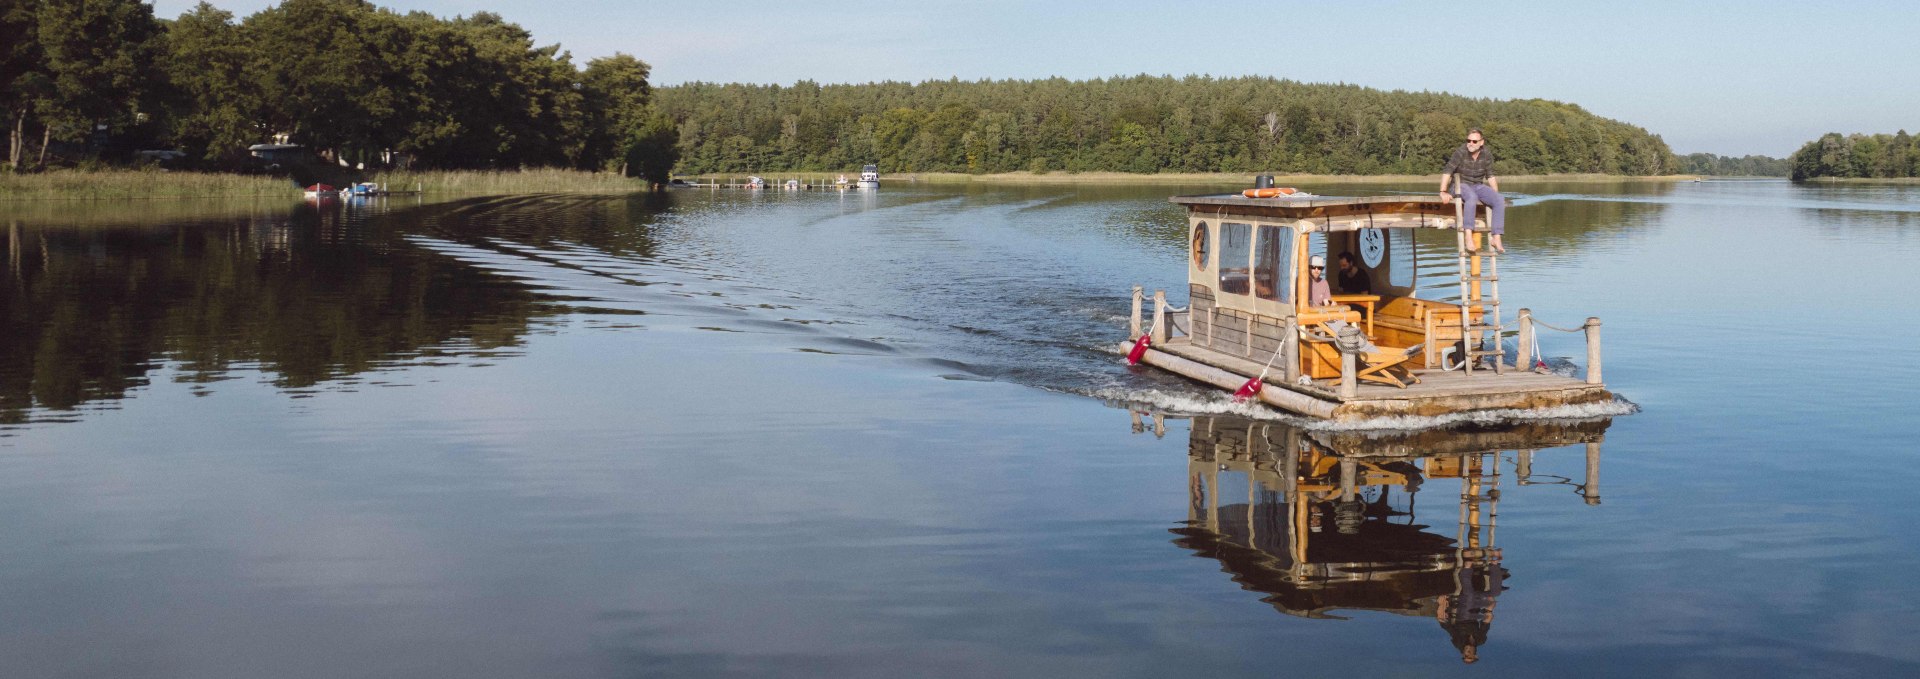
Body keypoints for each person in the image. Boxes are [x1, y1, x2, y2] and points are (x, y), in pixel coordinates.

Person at [1438, 129, 1506, 253]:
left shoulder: (1486, 154)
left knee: (1499, 199)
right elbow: (1447, 171)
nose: (1471, 143)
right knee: (1472, 197)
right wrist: (1443, 191)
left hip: (1477, 185)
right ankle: (1468, 236)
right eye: (1468, 140)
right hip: (1459, 186)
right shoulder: (1460, 152)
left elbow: (1490, 176)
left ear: (1481, 142)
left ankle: (1496, 237)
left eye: (1474, 141)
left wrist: (1495, 194)